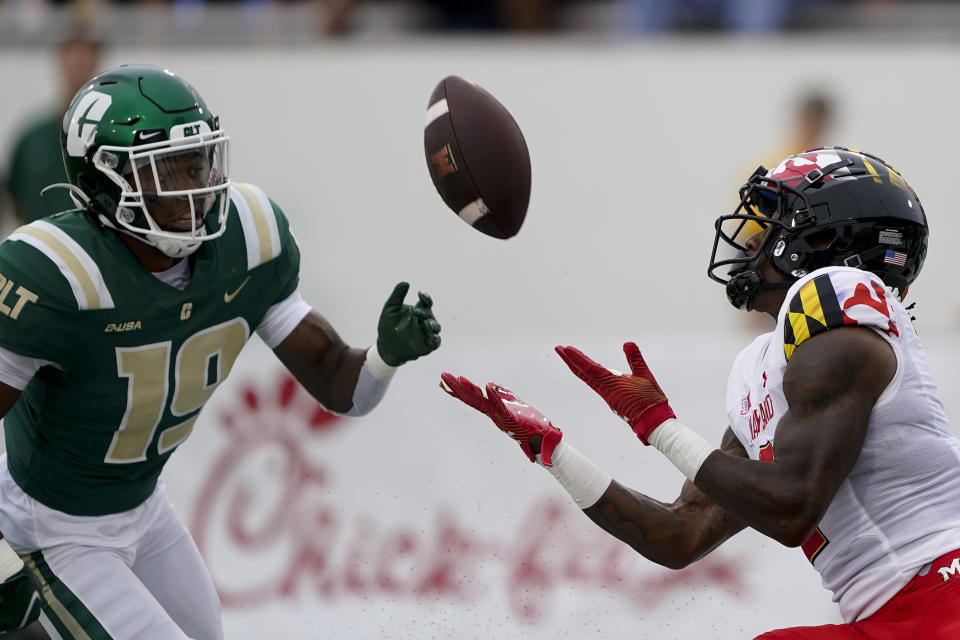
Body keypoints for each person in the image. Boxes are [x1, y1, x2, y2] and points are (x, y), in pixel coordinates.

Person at [441, 147, 960, 638]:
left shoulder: (839, 311)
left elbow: (791, 509)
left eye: (780, 218)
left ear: (830, 240)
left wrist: (658, 428)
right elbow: (681, 533)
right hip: (891, 616)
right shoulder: (764, 364)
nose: (753, 238)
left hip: (943, 596)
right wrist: (555, 453)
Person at [0, 64, 441, 639]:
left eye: (196, 161)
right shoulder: (57, 274)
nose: (192, 189)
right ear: (104, 179)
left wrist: (384, 356)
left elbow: (339, 383)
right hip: (57, 525)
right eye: (165, 170)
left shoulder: (250, 237)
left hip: (143, 507)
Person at [3, 28, 103, 226]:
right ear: (61, 64)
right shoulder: (31, 138)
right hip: (38, 248)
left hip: (95, 250)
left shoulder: (109, 138)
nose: (79, 72)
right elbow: (14, 200)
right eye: (74, 64)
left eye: (85, 65)